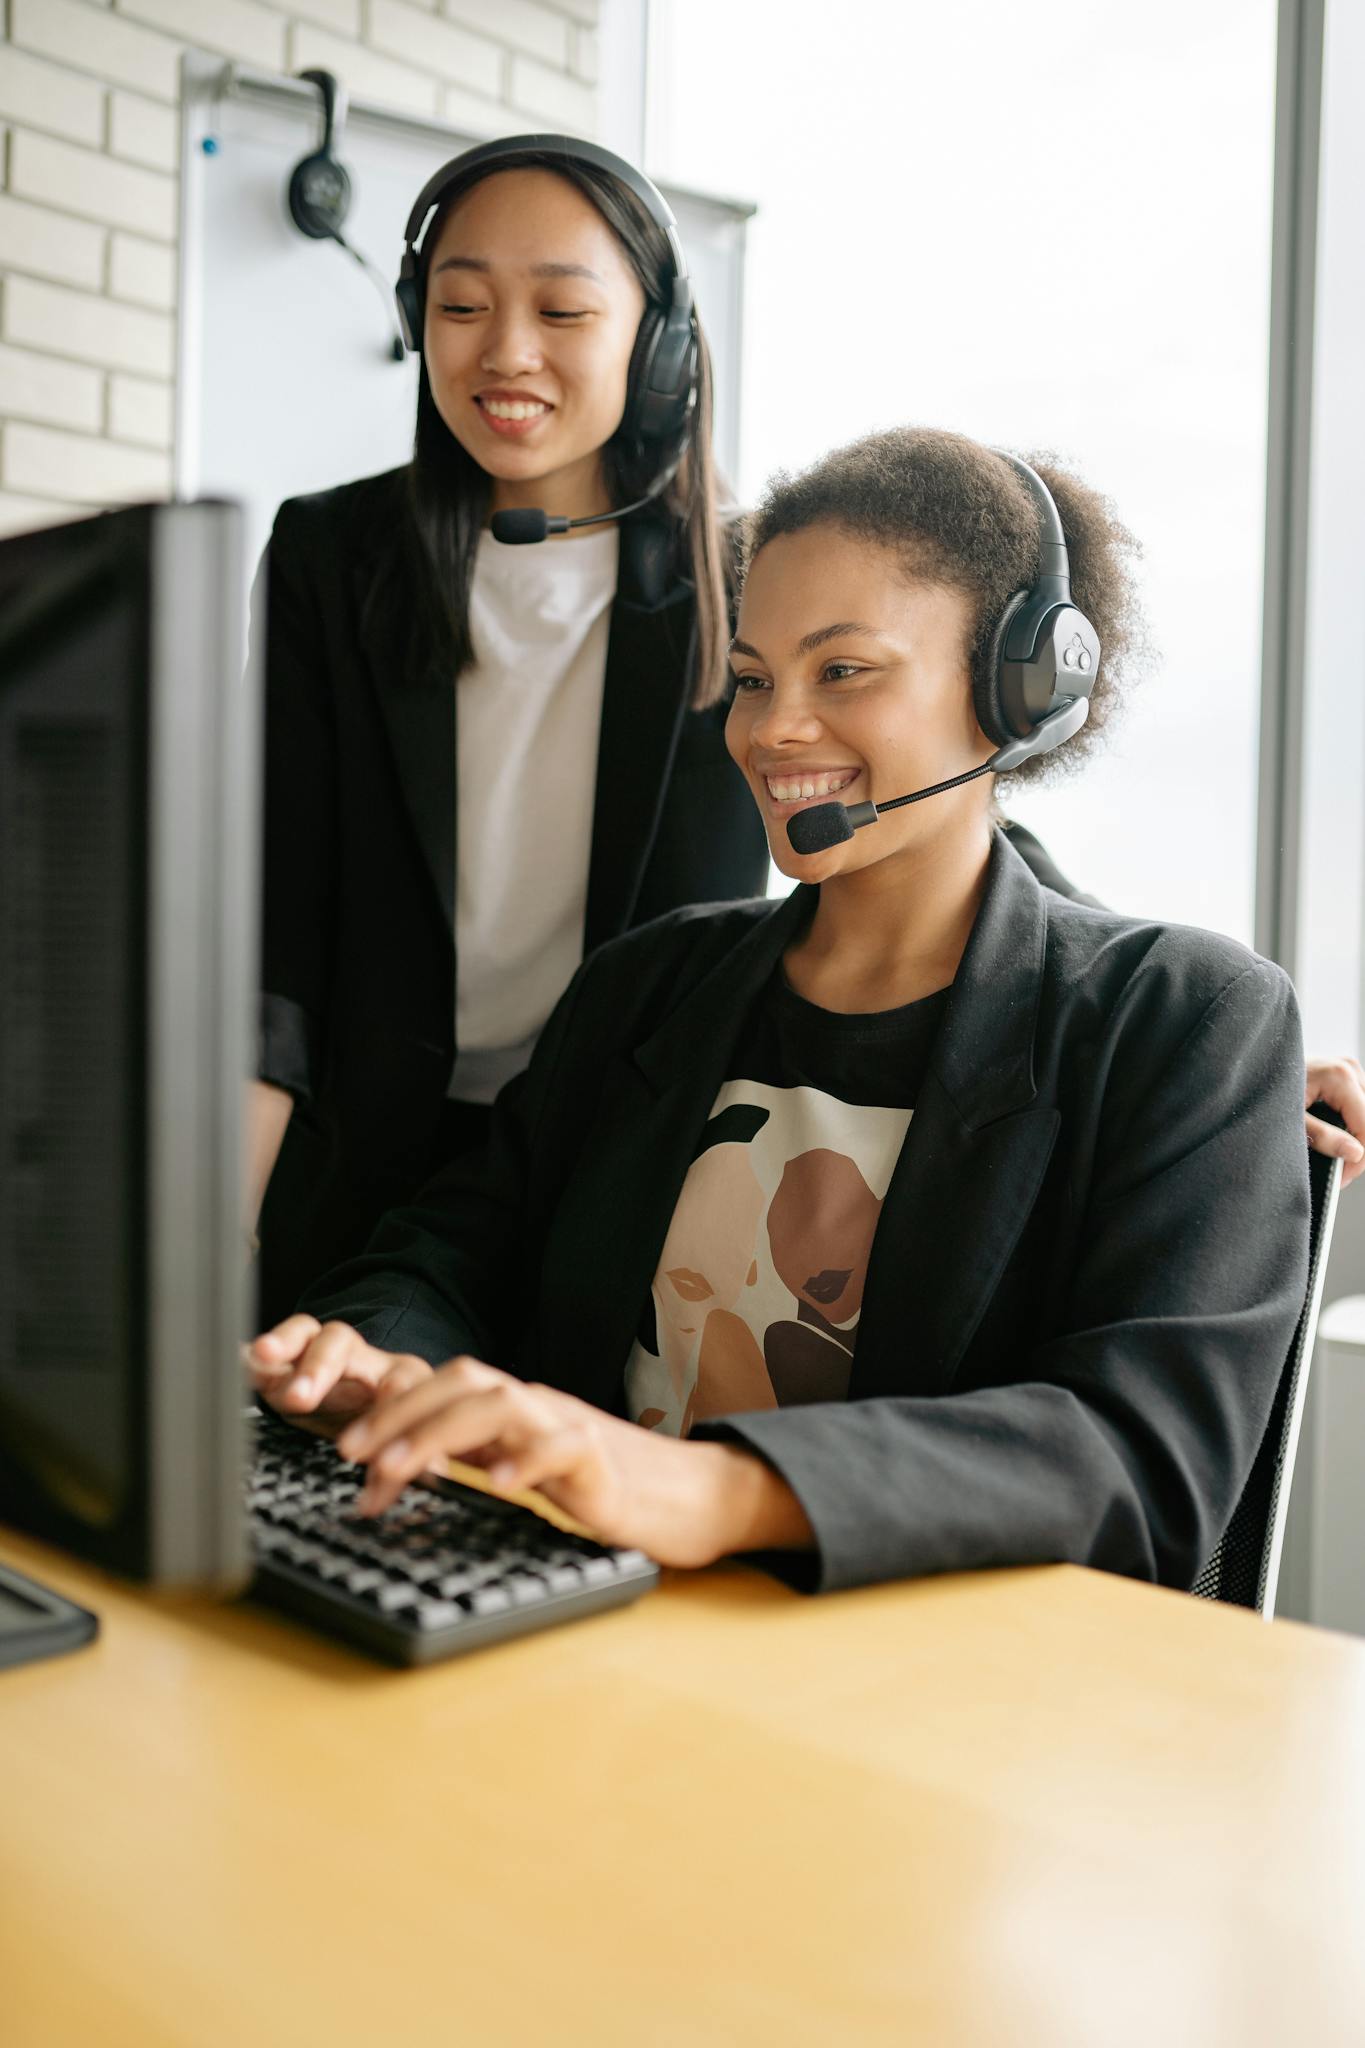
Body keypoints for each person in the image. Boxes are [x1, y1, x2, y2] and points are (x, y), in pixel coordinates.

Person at [246, 427, 1314, 1596]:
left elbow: (1140, 1460)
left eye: (842, 670)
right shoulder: (649, 982)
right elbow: (452, 1244)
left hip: (912, 1701)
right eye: (752, 679)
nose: (769, 730)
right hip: (579, 1633)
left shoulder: (1188, 1022)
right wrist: (371, 1346)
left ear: (1018, 689)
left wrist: (708, 1487)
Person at [248, 135, 769, 1326]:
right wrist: (212, 1232)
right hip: (355, 1171)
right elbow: (276, 918)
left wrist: (1185, 1015)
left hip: (615, 1176)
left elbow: (919, 809)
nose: (507, 351)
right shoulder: (334, 558)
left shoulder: (749, 580)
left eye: (564, 310)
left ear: (660, 344)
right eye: (462, 305)